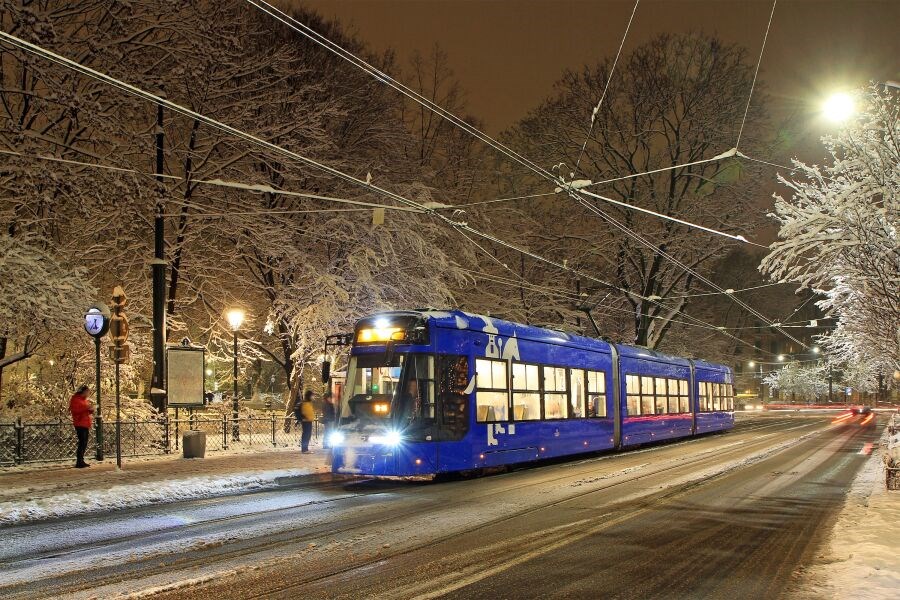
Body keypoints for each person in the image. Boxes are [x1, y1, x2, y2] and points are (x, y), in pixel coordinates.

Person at [69, 385, 94, 468]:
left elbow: (83, 410)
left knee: (84, 443)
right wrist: (86, 408)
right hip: (80, 423)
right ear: (83, 392)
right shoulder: (76, 399)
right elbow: (75, 410)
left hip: (85, 423)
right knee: (82, 443)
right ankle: (79, 461)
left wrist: (90, 410)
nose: (88, 393)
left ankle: (81, 460)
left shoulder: (83, 400)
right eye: (87, 392)